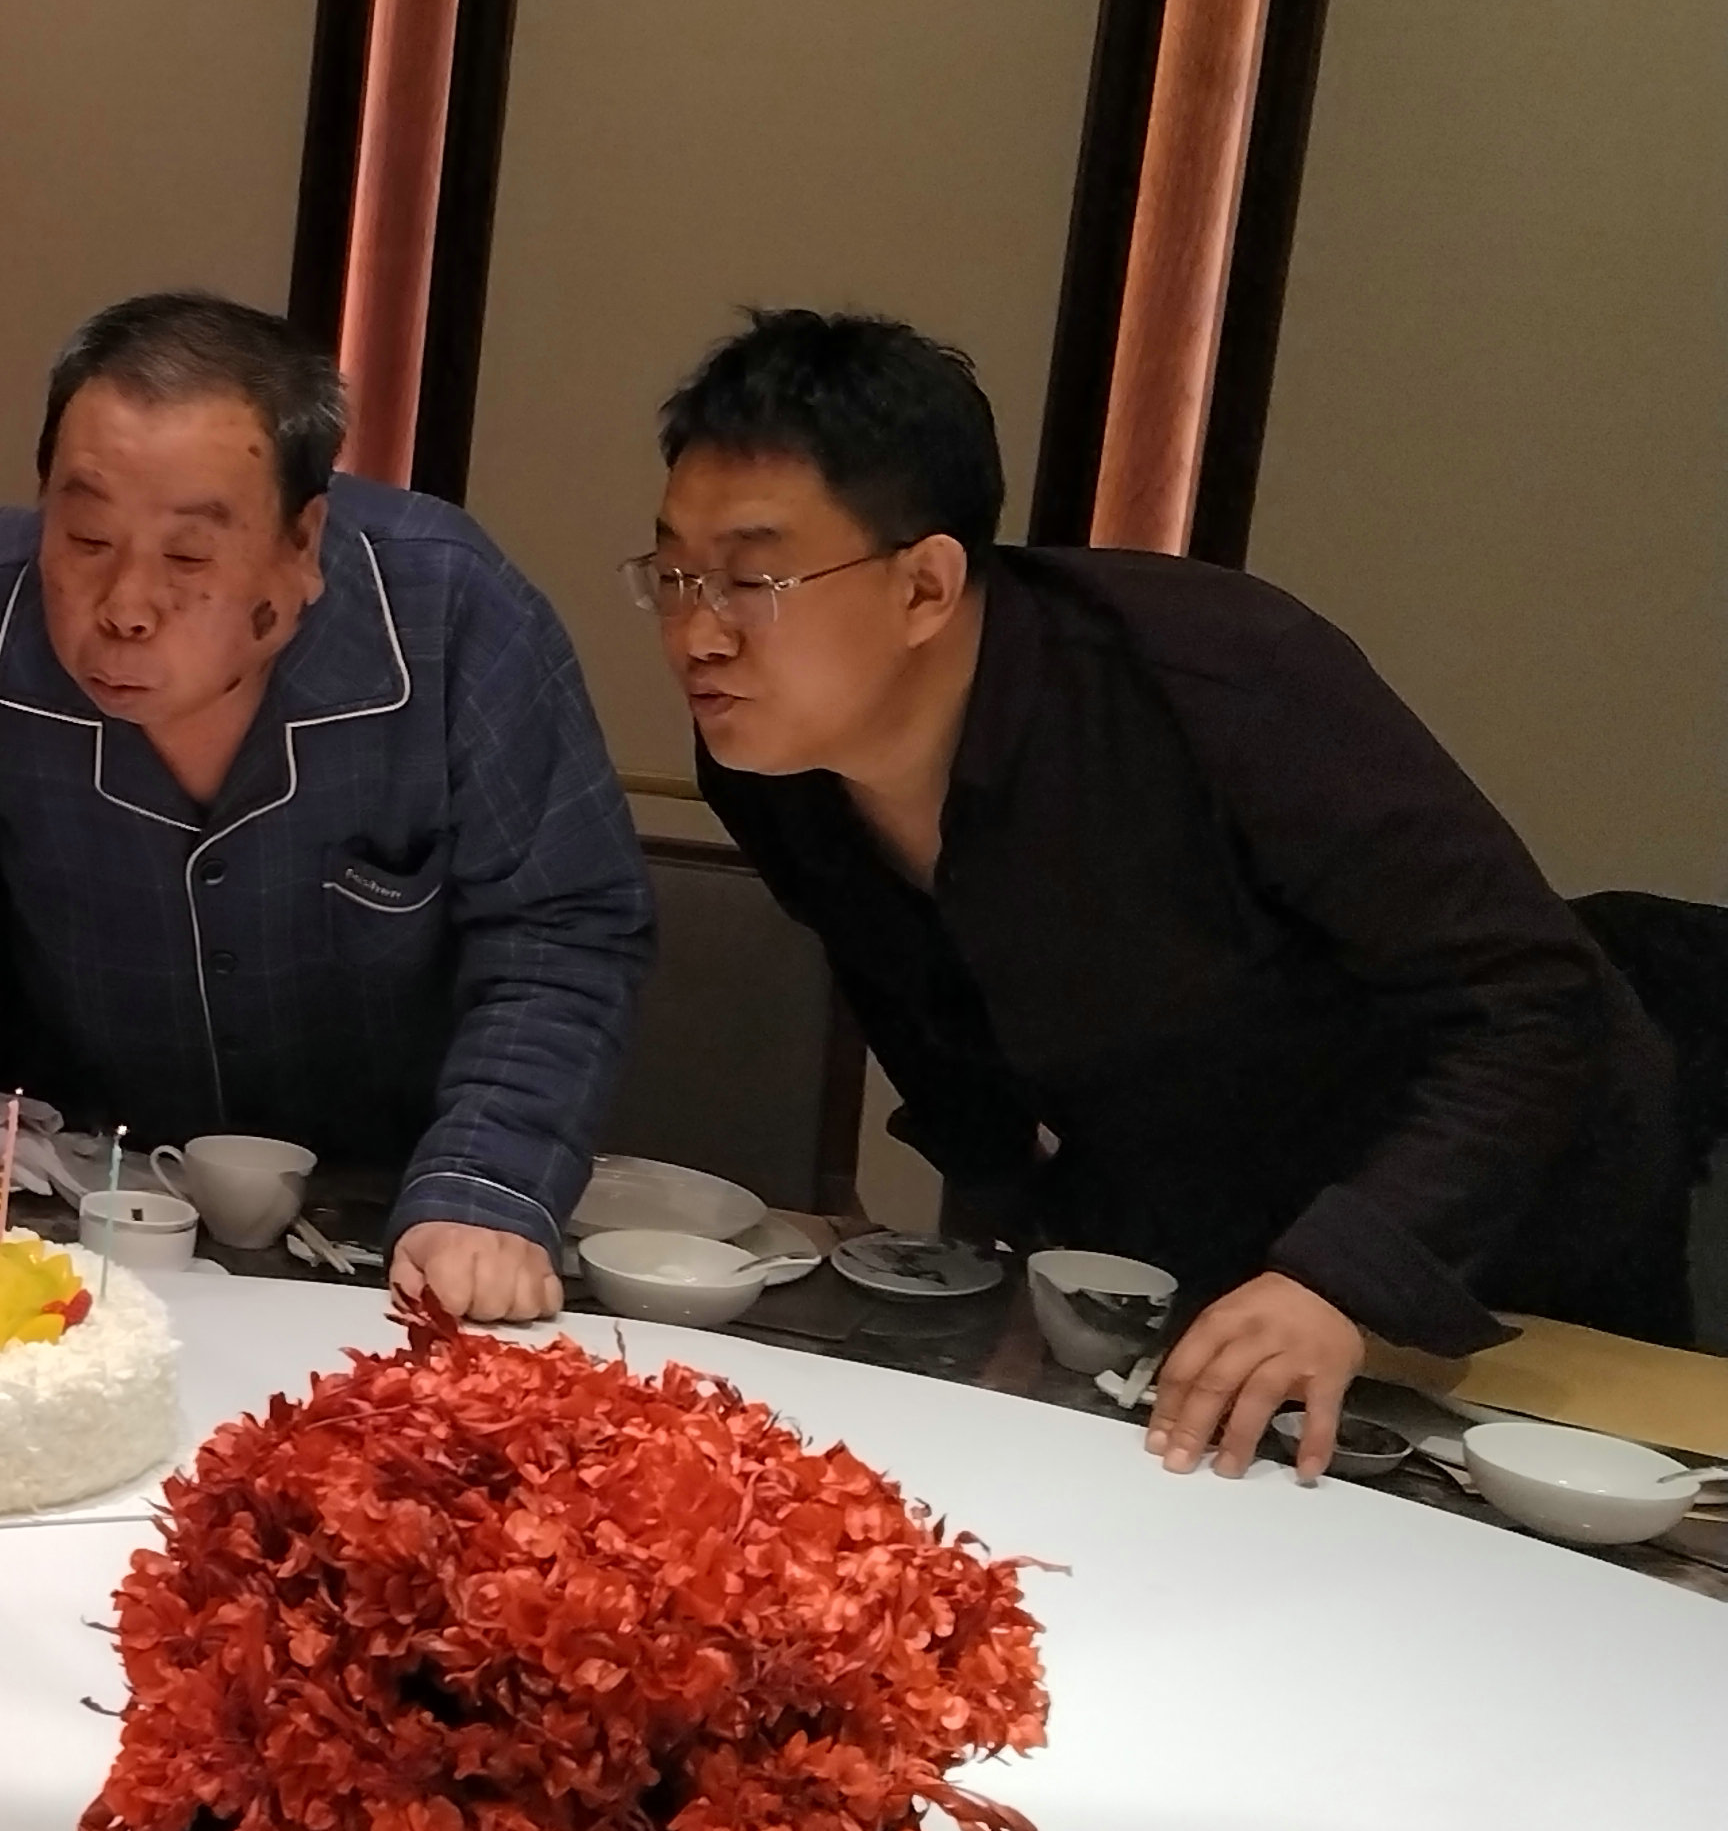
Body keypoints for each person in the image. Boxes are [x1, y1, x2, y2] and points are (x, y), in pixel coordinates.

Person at [644, 308, 1687, 1480]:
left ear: (925, 586)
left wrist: (1343, 1274)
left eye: (750, 579)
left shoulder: (1211, 678)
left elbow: (1533, 998)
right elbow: (929, 1027)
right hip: (1210, 1236)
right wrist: (1009, 1248)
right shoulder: (772, 771)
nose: (697, 634)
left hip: (1497, 1230)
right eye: (674, 574)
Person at [0, 294, 652, 1324]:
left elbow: (562, 926)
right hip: (90, 1200)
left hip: (399, 1213)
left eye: (187, 558)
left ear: (302, 540)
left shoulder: (450, 614)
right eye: (85, 537)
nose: (124, 607)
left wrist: (486, 1186)